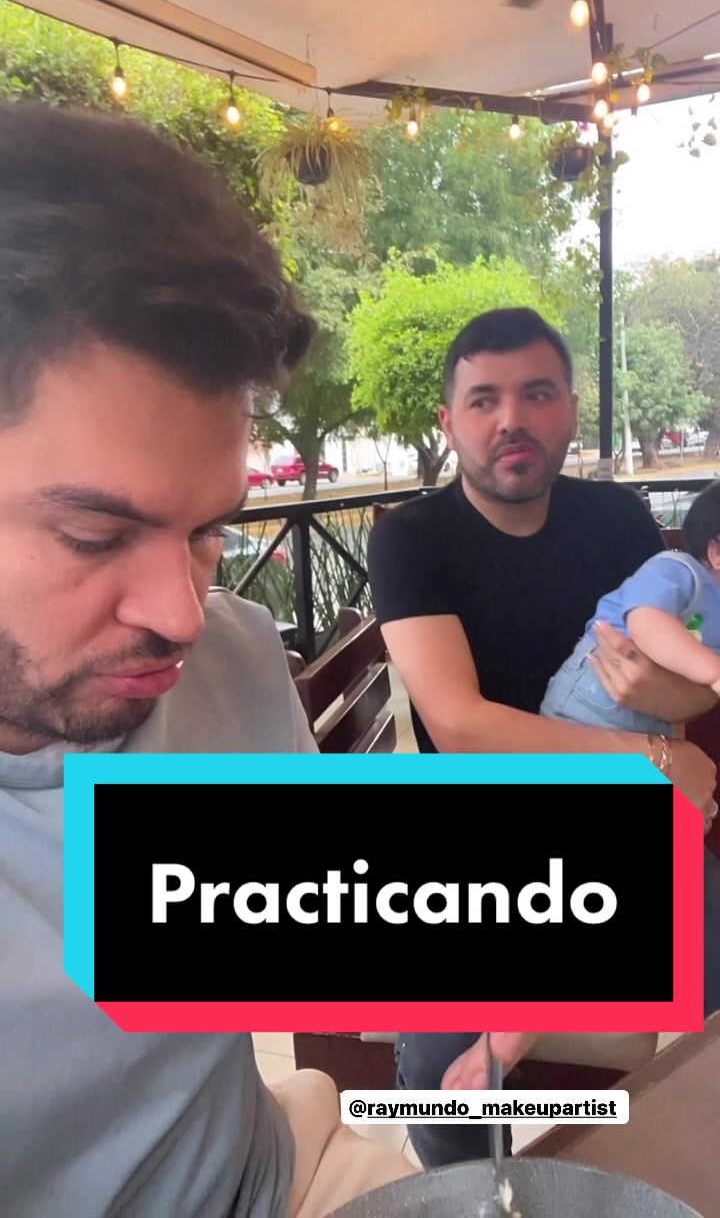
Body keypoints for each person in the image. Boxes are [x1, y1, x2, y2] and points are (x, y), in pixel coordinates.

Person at [0, 101, 415, 1217]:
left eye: (207, 529)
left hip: (290, 1175)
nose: (183, 612)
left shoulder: (227, 656)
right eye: (94, 535)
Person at [367, 306, 720, 1170]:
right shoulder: (412, 538)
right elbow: (461, 725)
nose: (511, 419)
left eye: (536, 394)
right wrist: (657, 763)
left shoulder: (618, 520)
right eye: (484, 400)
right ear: (449, 421)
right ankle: (469, 1195)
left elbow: (669, 683)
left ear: (570, 411)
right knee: (443, 1059)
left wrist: (664, 734)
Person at [541, 479, 720, 738]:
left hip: (644, 725)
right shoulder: (678, 570)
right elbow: (646, 625)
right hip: (583, 708)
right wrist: (714, 673)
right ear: (716, 552)